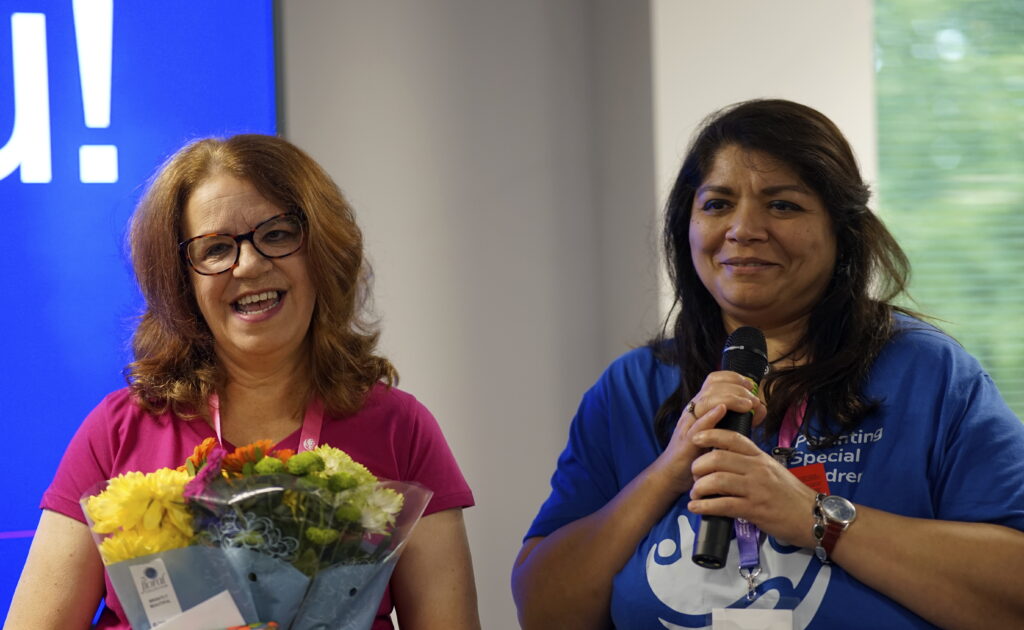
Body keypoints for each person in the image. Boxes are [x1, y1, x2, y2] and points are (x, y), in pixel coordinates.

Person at [511, 99, 1024, 629]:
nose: (743, 229)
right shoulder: (631, 387)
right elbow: (545, 612)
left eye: (782, 205)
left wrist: (813, 517)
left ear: (841, 232)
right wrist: (667, 472)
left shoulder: (929, 373)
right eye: (717, 204)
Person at [7, 135, 481, 629]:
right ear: (182, 281)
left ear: (321, 251)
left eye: (276, 234)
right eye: (215, 249)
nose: (250, 265)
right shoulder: (118, 431)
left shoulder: (399, 429)